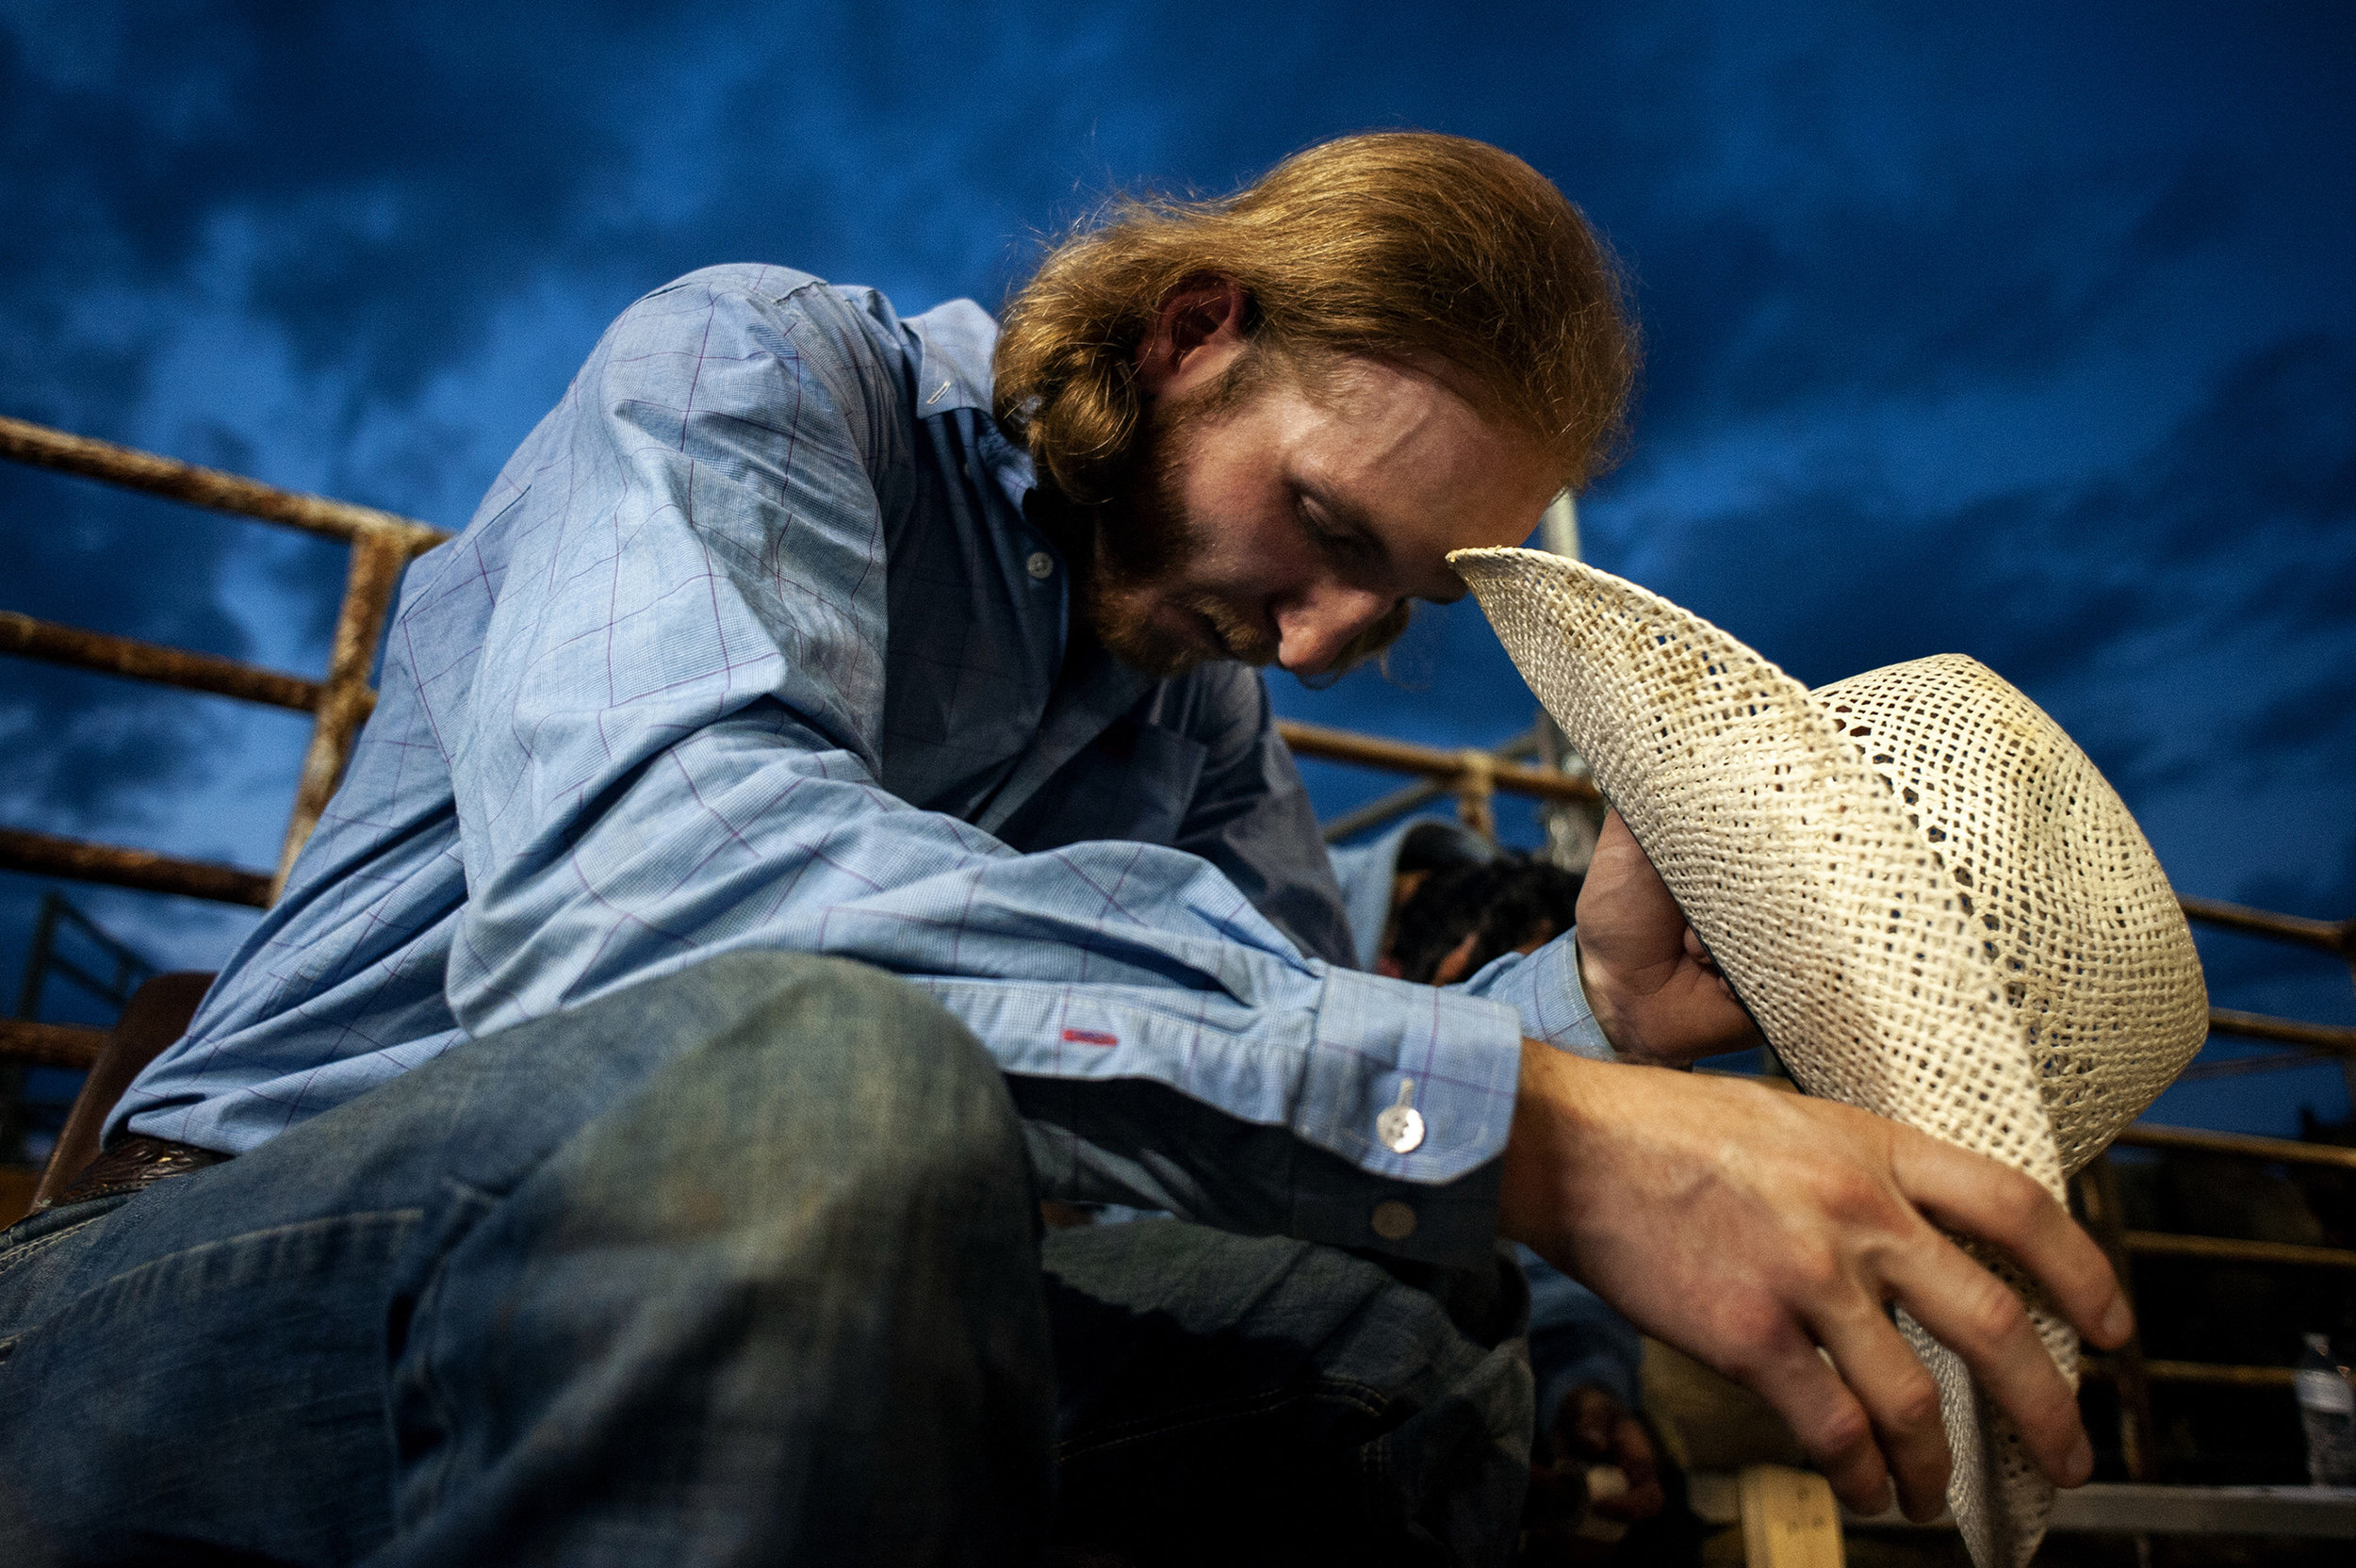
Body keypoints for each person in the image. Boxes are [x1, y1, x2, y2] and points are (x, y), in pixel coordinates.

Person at [0, 133, 2131, 1566]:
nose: (1322, 637)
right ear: (1189, 332)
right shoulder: (755, 375)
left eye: (1398, 602)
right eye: (1321, 533)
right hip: (239, 1264)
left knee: (1369, 1330)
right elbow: (646, 904)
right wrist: (1551, 1136)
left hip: (828, 1285)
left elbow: (1317, 1076)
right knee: (823, 1088)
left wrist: (1585, 1015)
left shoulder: (1204, 712)